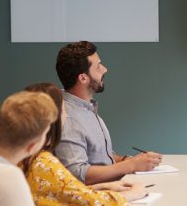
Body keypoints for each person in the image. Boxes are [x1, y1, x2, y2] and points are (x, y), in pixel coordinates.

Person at [22, 82, 147, 206]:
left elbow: (64, 192)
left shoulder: (28, 157)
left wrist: (101, 187)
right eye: (63, 110)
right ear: (52, 118)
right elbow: (89, 201)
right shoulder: (44, 163)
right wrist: (134, 193)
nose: (66, 114)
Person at [54, 41, 162, 184]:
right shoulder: (68, 117)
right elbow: (77, 173)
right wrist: (130, 166)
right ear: (83, 78)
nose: (105, 69)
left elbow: (97, 156)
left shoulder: (86, 107)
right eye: (98, 66)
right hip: (96, 199)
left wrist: (127, 160)